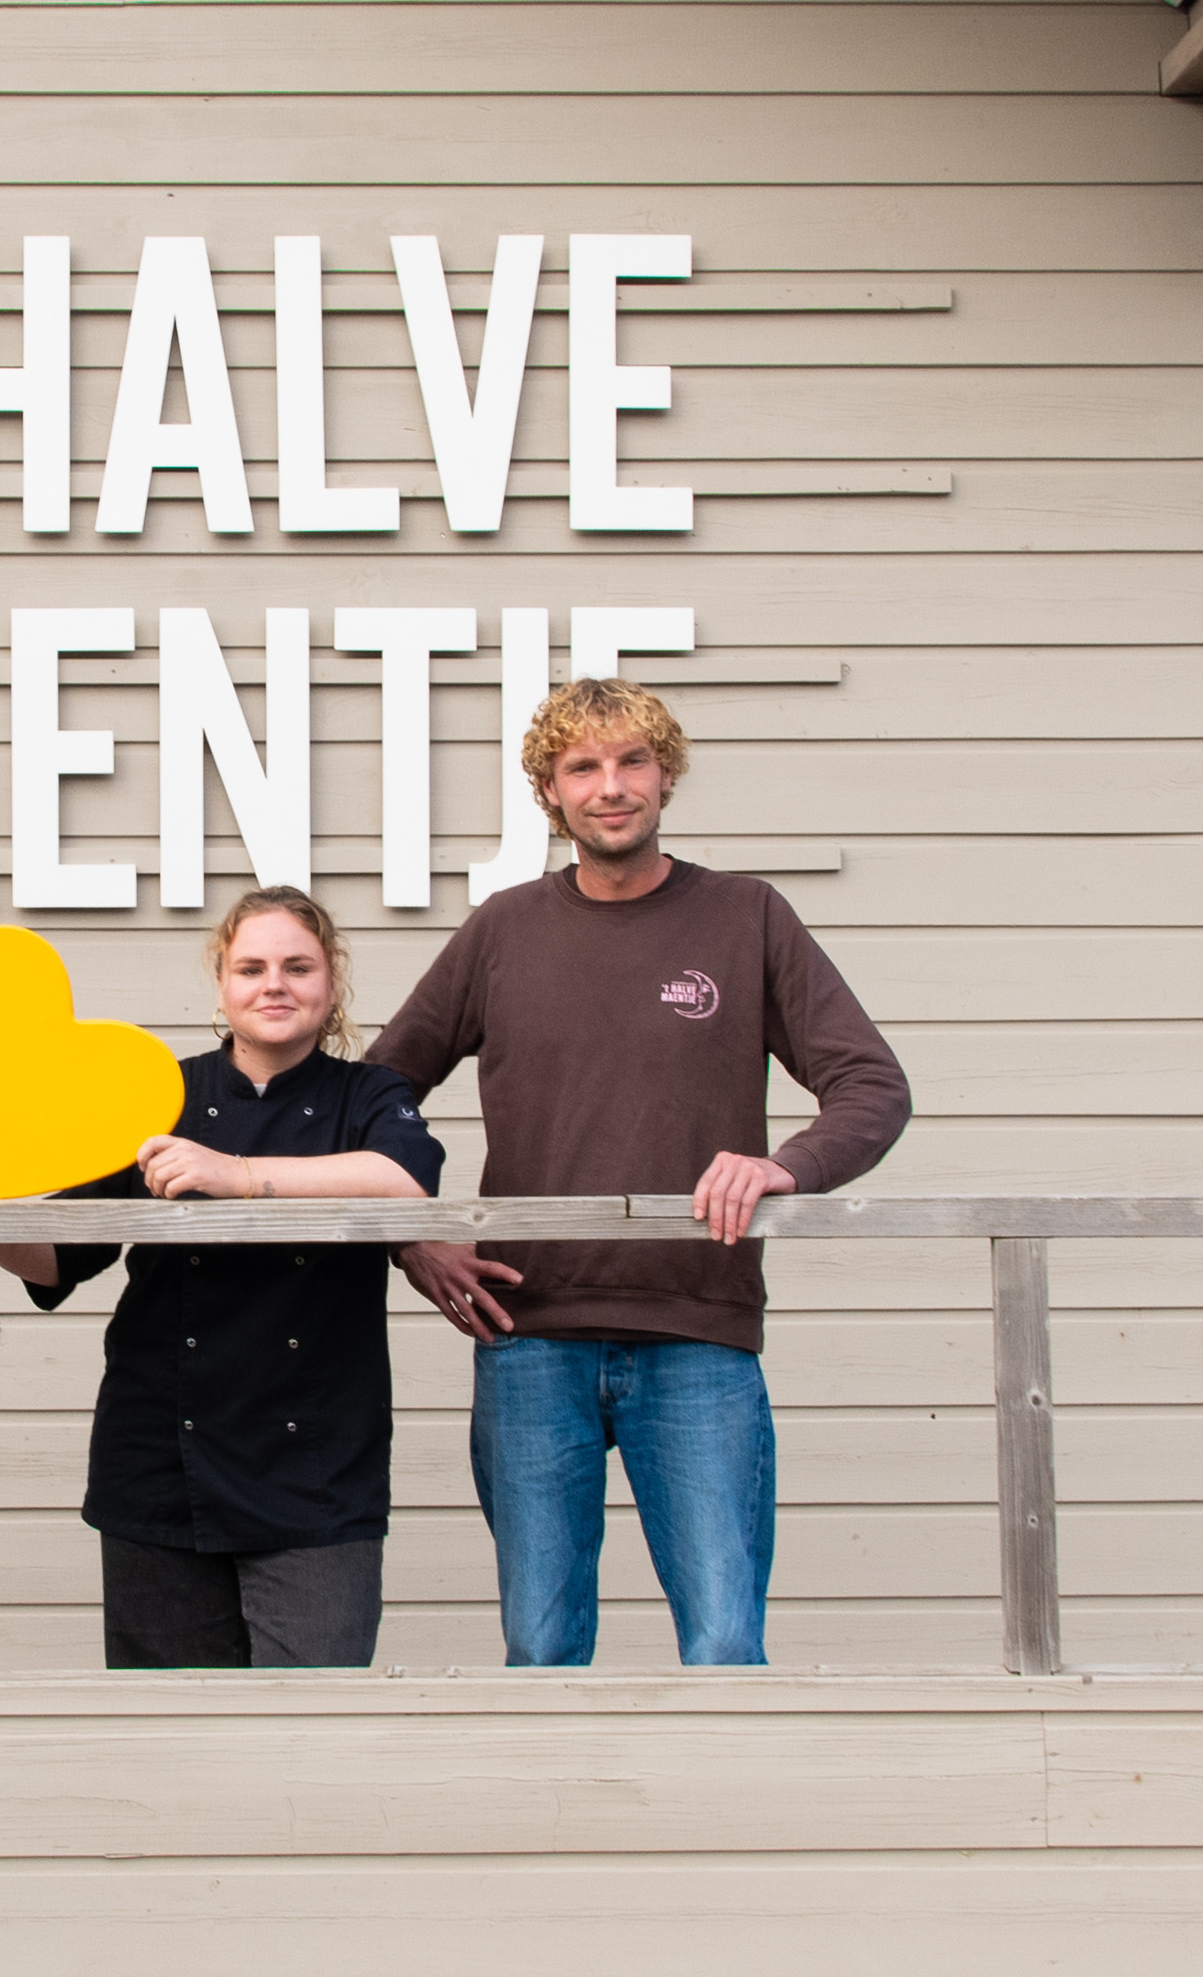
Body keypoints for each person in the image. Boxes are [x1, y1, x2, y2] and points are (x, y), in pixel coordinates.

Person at [372, 679, 912, 1667]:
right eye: (582, 766)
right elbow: (371, 1096)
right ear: (549, 791)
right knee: (539, 1649)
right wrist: (416, 1236)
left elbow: (870, 1085)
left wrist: (786, 1166)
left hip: (697, 1334)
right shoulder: (502, 930)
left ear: (666, 777)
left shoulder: (745, 917)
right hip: (530, 1335)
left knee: (721, 1643)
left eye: (631, 762)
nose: (609, 786)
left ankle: (722, 1820)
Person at [0, 886, 441, 1668]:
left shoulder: (369, 1094)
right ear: (222, 982)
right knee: (166, 1742)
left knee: (315, 1733)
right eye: (250, 967)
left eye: (297, 966)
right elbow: (58, 1259)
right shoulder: (157, 1096)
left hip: (316, 1471)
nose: (273, 984)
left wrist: (238, 1173)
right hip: (158, 1463)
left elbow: (404, 1179)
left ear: (331, 983)